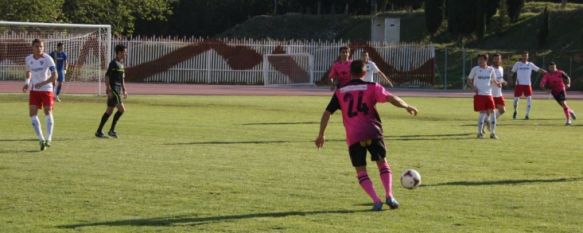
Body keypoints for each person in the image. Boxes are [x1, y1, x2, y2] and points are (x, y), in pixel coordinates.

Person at [315, 60, 419, 211]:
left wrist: (321, 135)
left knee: (361, 171)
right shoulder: (372, 87)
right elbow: (391, 98)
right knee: (382, 163)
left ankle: (376, 201)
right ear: (365, 73)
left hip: (354, 136)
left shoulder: (340, 91)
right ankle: (389, 196)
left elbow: (327, 113)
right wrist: (407, 106)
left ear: (350, 73)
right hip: (373, 131)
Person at [22, 39, 57, 151]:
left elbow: (54, 75)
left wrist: (43, 83)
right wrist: (27, 83)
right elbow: (28, 71)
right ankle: (41, 139)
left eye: (41, 46)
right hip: (34, 91)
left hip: (46, 89)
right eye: (37, 46)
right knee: (32, 114)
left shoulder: (48, 58)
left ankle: (49, 138)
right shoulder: (28, 59)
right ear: (32, 47)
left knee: (47, 111)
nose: (39, 48)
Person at [95, 44, 128, 138]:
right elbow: (107, 76)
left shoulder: (121, 64)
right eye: (124, 52)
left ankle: (99, 131)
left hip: (118, 89)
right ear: (119, 52)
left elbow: (122, 79)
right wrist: (108, 89)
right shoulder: (113, 63)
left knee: (109, 111)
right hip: (113, 89)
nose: (125, 54)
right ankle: (111, 130)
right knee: (122, 109)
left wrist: (124, 89)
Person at [467, 54, 498, 139]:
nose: (479, 61)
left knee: (493, 112)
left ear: (486, 60)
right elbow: (469, 80)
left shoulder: (491, 69)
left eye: (481, 60)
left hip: (489, 94)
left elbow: (493, 80)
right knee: (482, 113)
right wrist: (473, 88)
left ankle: (493, 133)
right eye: (479, 60)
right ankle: (479, 133)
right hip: (480, 95)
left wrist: (497, 84)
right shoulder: (475, 69)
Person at [510, 51, 546, 120]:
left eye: (526, 56)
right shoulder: (518, 64)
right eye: (524, 55)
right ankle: (515, 112)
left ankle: (527, 115)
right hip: (519, 85)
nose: (525, 57)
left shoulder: (530, 64)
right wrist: (510, 79)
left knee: (529, 99)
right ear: (522, 56)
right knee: (516, 100)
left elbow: (538, 69)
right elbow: (512, 72)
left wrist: (546, 72)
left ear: (528, 57)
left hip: (527, 85)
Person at [491, 53, 507, 120]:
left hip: (499, 94)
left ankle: (490, 121)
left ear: (500, 60)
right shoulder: (490, 69)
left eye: (499, 59)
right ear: (493, 60)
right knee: (489, 112)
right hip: (491, 94)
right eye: (496, 59)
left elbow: (501, 79)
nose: (497, 60)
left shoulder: (501, 68)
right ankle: (485, 124)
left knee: (502, 110)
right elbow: (488, 80)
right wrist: (496, 83)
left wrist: (503, 81)